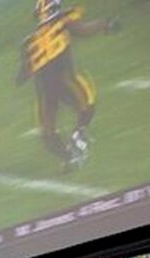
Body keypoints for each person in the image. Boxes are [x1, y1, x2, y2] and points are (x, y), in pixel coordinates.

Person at [17, 0, 120, 169]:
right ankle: (79, 134)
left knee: (48, 135)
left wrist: (24, 74)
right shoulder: (62, 22)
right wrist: (106, 24)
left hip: (45, 94)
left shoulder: (29, 43)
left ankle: (69, 157)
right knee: (87, 106)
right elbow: (84, 29)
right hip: (65, 83)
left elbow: (22, 75)